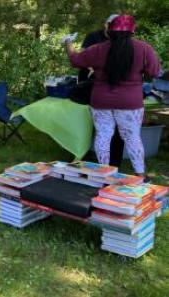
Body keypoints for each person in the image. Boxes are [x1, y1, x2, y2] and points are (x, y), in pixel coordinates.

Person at [64, 15, 161, 180]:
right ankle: (141, 175)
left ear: (109, 30)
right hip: (130, 102)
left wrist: (67, 43)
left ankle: (104, 175)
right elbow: (154, 72)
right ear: (132, 30)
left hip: (101, 101)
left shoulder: (98, 49)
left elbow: (75, 60)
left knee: (103, 135)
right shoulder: (144, 49)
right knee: (132, 137)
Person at [79, 14, 125, 168]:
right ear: (105, 24)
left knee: (116, 128)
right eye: (110, 24)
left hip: (115, 89)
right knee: (97, 126)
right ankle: (89, 156)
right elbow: (82, 56)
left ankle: (113, 165)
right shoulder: (93, 37)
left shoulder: (124, 41)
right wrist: (93, 69)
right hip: (91, 85)